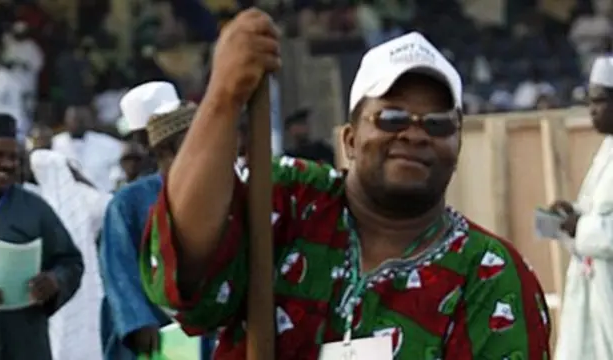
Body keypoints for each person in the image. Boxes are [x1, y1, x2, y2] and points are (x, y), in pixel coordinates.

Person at [138, 11, 551, 359]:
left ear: (458, 146)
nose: (414, 134)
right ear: (349, 140)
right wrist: (224, 96)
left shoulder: (489, 275)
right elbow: (184, 272)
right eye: (391, 118)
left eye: (438, 124)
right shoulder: (290, 196)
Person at [0, 114, 84, 360]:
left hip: (24, 344)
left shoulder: (35, 209)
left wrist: (55, 281)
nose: (7, 164)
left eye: (14, 157)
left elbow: (71, 262)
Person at [99, 84, 190, 360]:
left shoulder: (215, 188)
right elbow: (118, 268)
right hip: (150, 327)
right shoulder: (128, 202)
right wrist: (138, 320)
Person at [553, 55, 613, 360]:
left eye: (599, 101)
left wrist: (581, 227)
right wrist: (572, 213)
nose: (591, 109)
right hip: (594, 287)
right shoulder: (607, 149)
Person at [28, 148, 111, 360]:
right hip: (60, 282)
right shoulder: (41, 199)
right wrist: (81, 179)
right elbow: (109, 204)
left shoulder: (37, 200)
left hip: (62, 280)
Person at [52, 105, 124, 192]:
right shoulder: (54, 144)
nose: (79, 123)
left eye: (82, 120)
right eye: (75, 119)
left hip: (101, 196)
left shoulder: (107, 143)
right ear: (66, 120)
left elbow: (118, 167)